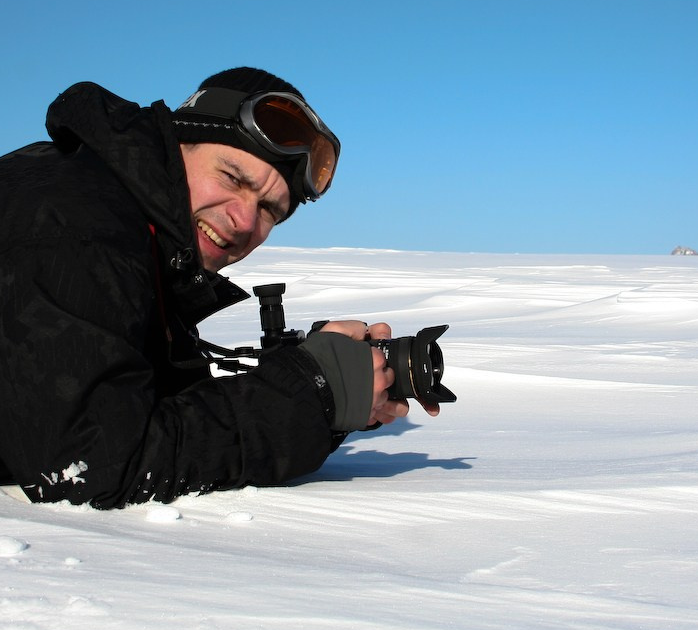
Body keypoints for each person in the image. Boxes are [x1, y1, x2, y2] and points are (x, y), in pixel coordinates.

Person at [0, 67, 438, 508]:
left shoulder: (145, 244)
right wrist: (307, 392)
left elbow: (162, 417)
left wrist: (330, 395)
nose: (244, 221)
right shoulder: (70, 224)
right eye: (232, 177)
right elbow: (90, 467)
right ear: (177, 144)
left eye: (268, 209)